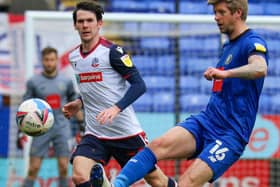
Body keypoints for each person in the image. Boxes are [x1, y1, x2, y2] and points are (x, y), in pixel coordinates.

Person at [111, 0, 269, 187]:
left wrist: (226, 73)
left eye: (221, 12)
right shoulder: (228, 46)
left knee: (187, 182)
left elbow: (260, 68)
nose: (216, 17)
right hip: (207, 121)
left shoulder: (252, 41)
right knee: (156, 146)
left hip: (231, 134)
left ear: (238, 13)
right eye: (215, 12)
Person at [62, 1, 173, 187]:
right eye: (80, 21)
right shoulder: (74, 57)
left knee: (157, 181)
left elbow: (139, 85)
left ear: (99, 24)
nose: (85, 25)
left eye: (90, 20)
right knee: (80, 176)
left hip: (125, 133)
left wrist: (116, 108)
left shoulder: (112, 52)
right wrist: (79, 103)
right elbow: (98, 87)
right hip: (95, 133)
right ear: (75, 25)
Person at [18, 47, 79, 187]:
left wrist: (81, 125)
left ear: (56, 60)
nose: (49, 63)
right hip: (40, 129)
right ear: (42, 61)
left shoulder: (66, 81)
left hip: (62, 128)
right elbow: (24, 108)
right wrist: (20, 131)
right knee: (33, 168)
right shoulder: (33, 82)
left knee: (64, 167)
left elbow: (75, 103)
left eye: (52, 60)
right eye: (46, 60)